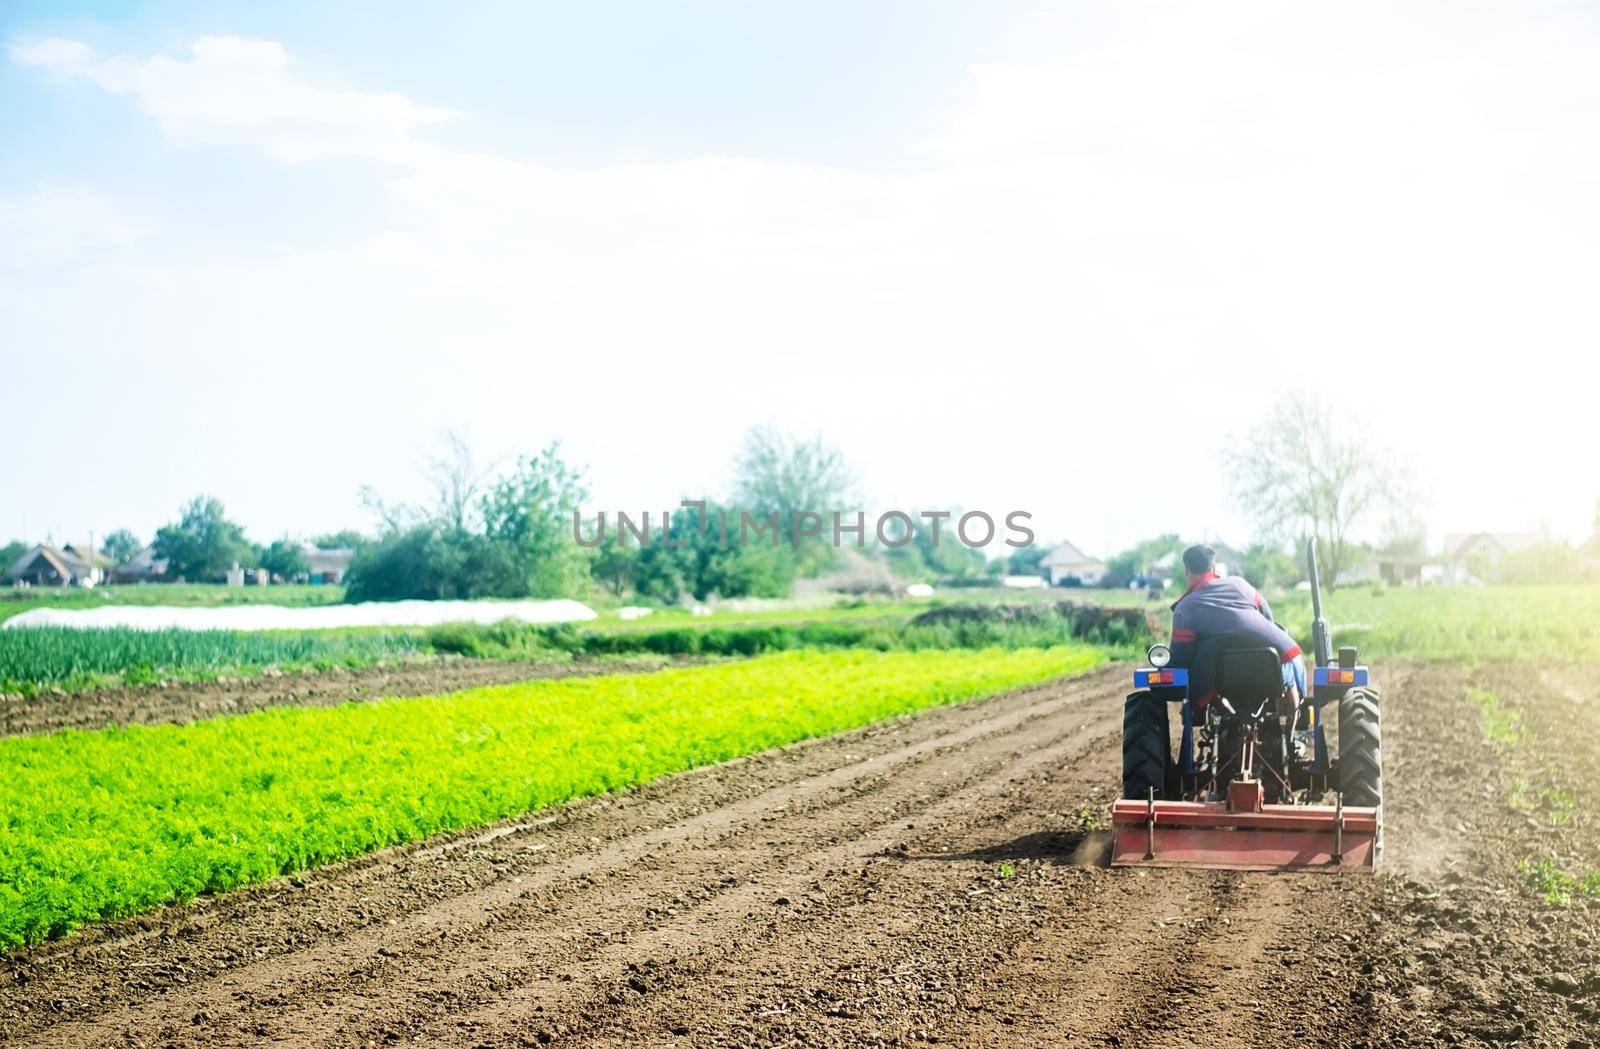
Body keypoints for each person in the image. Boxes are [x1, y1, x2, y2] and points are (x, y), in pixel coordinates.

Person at [1166, 544, 1304, 708]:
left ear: (1186, 570)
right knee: (1286, 657)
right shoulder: (1240, 584)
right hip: (1266, 663)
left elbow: (1181, 658)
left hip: (1218, 674)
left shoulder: (1185, 608)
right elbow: (1268, 618)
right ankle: (1292, 710)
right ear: (1214, 567)